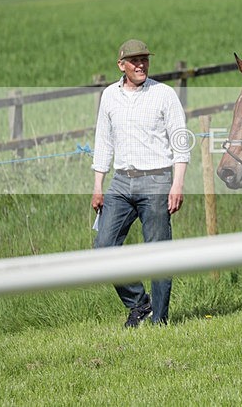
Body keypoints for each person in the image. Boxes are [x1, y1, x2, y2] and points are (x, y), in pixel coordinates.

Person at [91, 39, 189, 327]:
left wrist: (178, 184)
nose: (141, 65)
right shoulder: (109, 96)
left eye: (144, 59)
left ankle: (160, 321)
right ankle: (139, 303)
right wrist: (98, 184)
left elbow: (181, 142)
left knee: (158, 252)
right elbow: (103, 142)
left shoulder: (164, 94)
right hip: (121, 182)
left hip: (157, 181)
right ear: (121, 65)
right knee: (104, 247)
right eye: (134, 61)